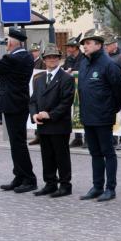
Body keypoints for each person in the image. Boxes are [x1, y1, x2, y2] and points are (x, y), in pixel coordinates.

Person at [0, 28, 37, 193]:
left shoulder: (15, 58)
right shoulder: (25, 56)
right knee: (16, 143)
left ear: (13, 42)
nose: (6, 43)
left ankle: (29, 179)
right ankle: (20, 176)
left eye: (7, 40)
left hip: (14, 104)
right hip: (17, 103)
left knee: (18, 143)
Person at [78, 28, 121, 202]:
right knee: (95, 153)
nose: (85, 46)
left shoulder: (108, 65)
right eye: (84, 43)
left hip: (103, 117)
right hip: (88, 116)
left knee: (108, 152)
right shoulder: (84, 63)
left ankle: (110, 188)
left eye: (89, 43)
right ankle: (97, 186)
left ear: (99, 45)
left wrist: (110, 109)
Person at [29, 43, 75, 198]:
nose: (51, 60)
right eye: (48, 57)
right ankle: (50, 183)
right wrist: (34, 115)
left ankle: (65, 185)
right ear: (43, 59)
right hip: (43, 125)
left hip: (59, 124)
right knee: (46, 155)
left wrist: (50, 114)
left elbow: (66, 102)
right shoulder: (39, 79)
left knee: (61, 156)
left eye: (54, 57)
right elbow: (33, 100)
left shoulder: (66, 78)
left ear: (59, 59)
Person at [104, 33, 121, 151]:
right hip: (108, 92)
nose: (106, 47)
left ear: (114, 45)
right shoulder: (105, 57)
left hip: (118, 90)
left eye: (108, 45)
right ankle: (113, 140)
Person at [63, 34, 86, 148]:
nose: (67, 49)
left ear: (75, 47)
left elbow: (84, 71)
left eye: (69, 47)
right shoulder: (68, 59)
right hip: (71, 89)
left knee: (83, 112)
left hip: (82, 89)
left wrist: (73, 71)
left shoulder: (84, 58)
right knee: (74, 113)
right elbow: (64, 69)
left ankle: (87, 138)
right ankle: (78, 138)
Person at [29, 43, 46, 145]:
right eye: (32, 51)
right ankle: (37, 135)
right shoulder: (30, 62)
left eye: (35, 51)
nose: (33, 53)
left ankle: (40, 135)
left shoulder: (41, 62)